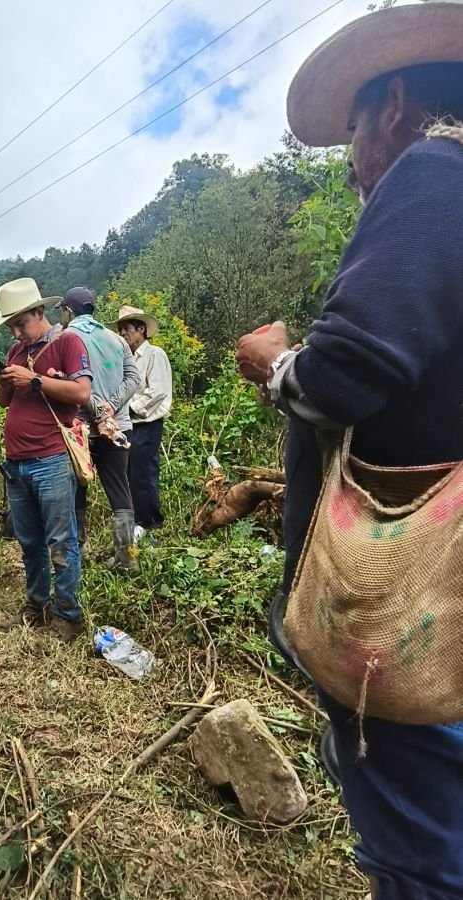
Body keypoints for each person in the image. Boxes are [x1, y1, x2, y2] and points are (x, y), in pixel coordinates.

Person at [236, 5, 463, 897]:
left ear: (396, 106)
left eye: (355, 131)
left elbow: (349, 373)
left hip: (412, 600)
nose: (355, 157)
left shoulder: (433, 177)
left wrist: (274, 363)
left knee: (419, 844)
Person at [0, 277, 92, 642]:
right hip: (16, 462)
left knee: (61, 540)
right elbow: (3, 402)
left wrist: (34, 381)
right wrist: (4, 380)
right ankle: (36, 606)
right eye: (11, 326)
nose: (16, 333)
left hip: (51, 459)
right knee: (29, 541)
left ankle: (68, 615)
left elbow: (81, 392)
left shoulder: (68, 343)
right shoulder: (16, 352)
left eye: (20, 324)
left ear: (39, 311)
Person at [58, 287, 140, 568]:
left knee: (77, 488)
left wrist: (97, 408)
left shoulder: (66, 338)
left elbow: (72, 382)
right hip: (119, 428)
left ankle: (75, 553)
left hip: (80, 429)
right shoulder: (117, 340)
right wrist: (111, 407)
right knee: (120, 487)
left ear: (68, 310)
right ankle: (126, 557)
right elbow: (133, 378)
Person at [115, 305, 172, 532]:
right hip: (128, 424)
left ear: (141, 329)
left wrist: (128, 409)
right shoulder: (125, 357)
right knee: (128, 472)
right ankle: (137, 521)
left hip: (146, 423)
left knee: (143, 472)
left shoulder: (154, 354)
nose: (123, 334)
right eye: (120, 330)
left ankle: (149, 522)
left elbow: (157, 392)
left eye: (127, 328)